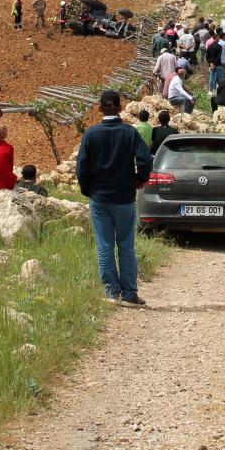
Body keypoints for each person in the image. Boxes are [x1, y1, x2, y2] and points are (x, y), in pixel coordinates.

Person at [76, 91, 153, 307]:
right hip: (125, 197)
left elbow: (82, 166)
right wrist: (139, 180)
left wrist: (87, 189)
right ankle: (130, 294)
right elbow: (146, 159)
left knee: (104, 245)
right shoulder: (129, 133)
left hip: (99, 198)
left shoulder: (91, 134)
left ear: (100, 109)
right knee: (126, 245)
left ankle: (111, 292)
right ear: (120, 108)